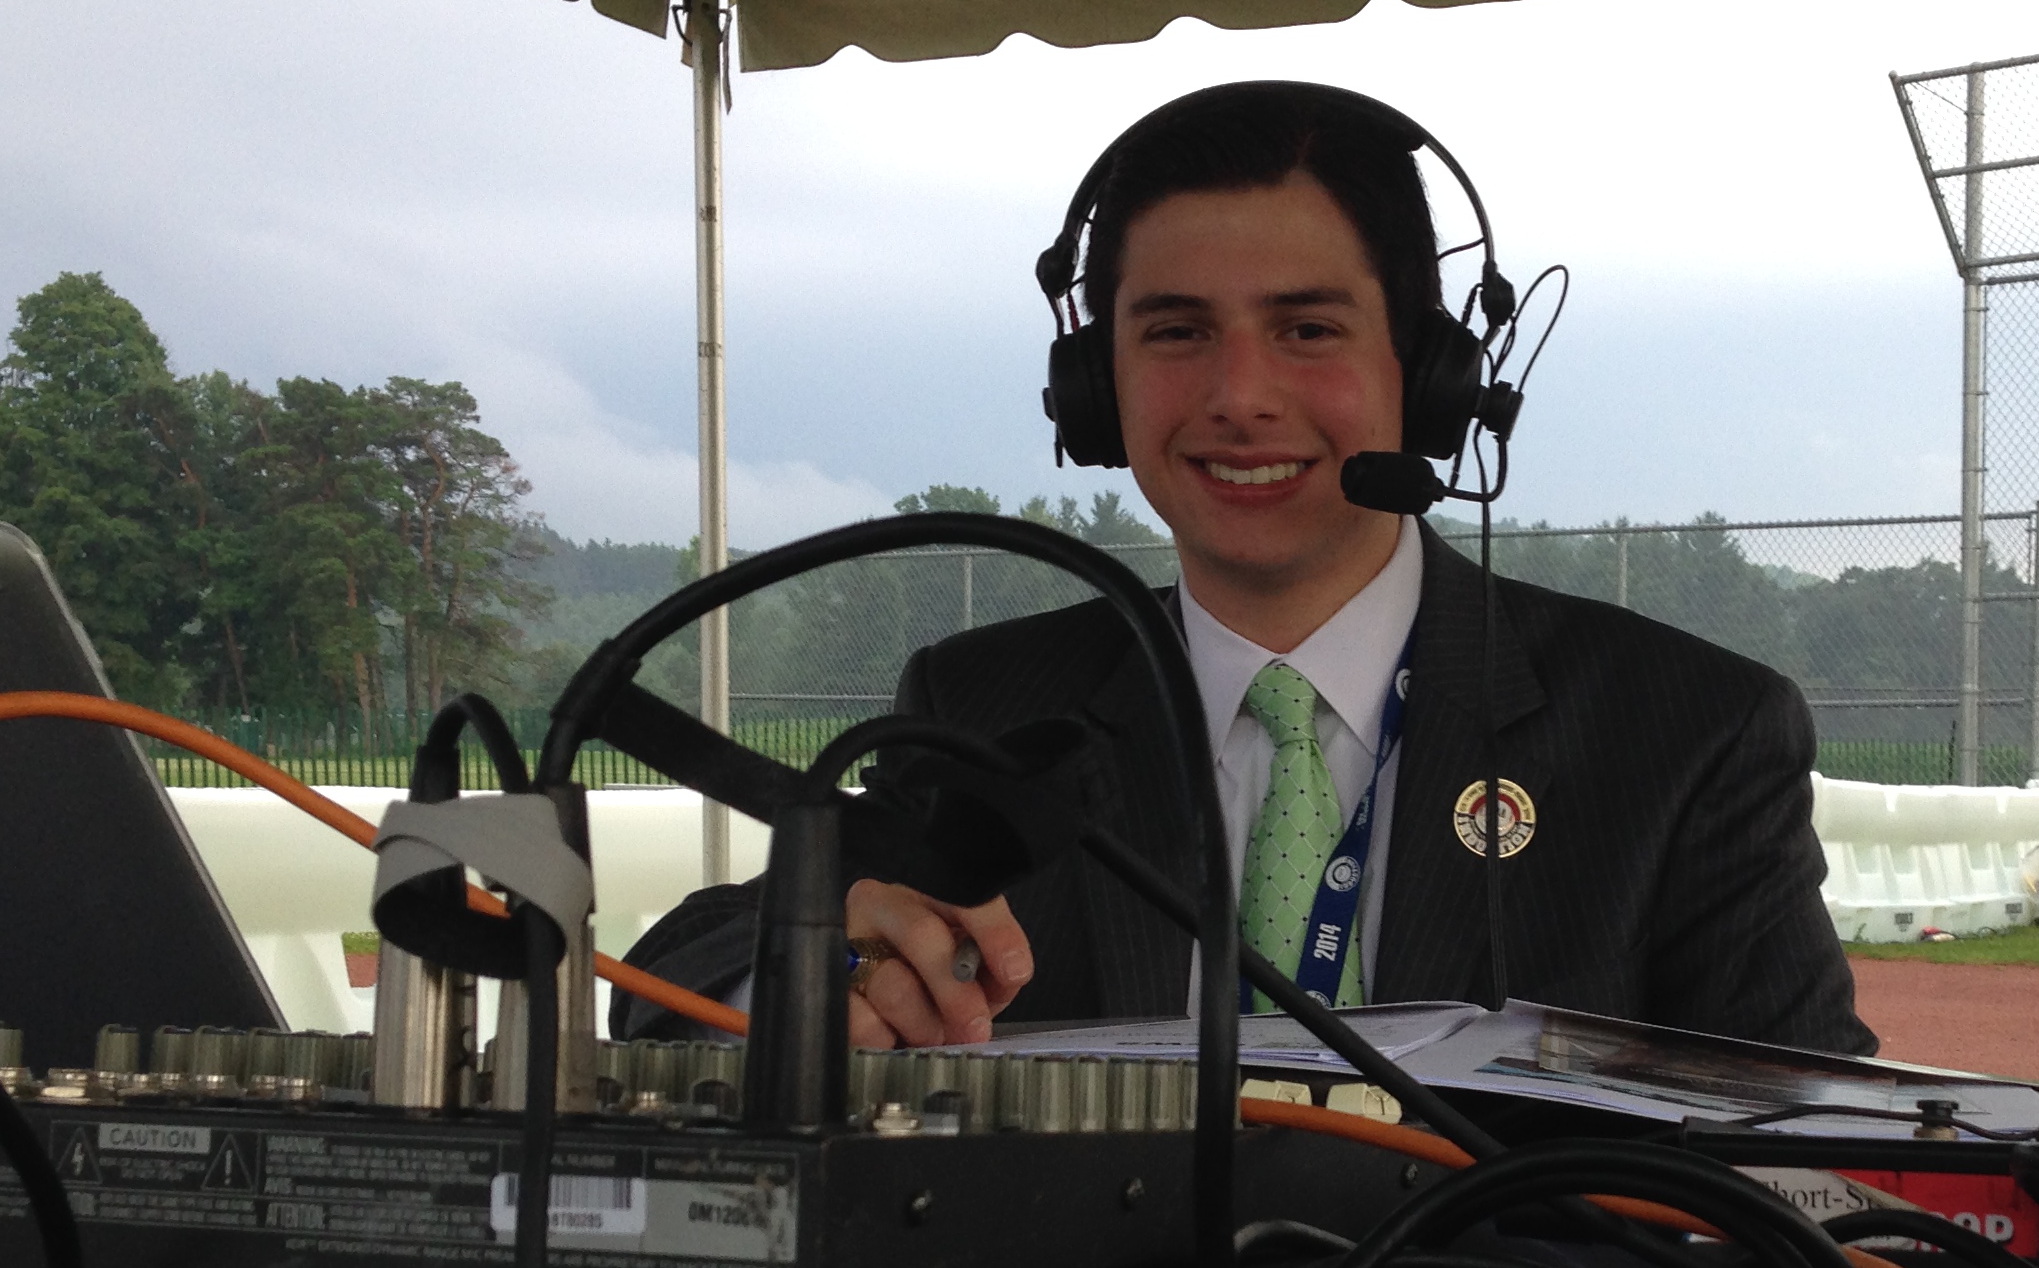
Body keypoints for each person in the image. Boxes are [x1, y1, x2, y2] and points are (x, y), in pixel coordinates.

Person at [621, 82, 1869, 1058]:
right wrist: (796, 970)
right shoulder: (983, 708)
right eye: (1176, 333)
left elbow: (1824, 1138)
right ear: (1095, 390)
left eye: (1307, 329)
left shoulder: (1688, 734)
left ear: (1428, 377)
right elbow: (674, 978)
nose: (1238, 397)